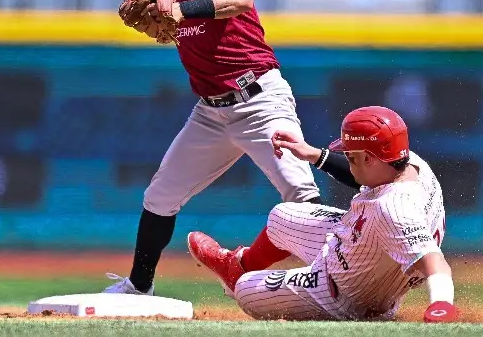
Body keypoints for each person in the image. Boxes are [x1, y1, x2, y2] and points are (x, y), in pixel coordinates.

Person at [104, 0, 321, 295]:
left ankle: (343, 279)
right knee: (160, 195)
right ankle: (138, 287)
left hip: (258, 100)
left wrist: (184, 11)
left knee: (301, 195)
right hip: (210, 112)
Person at [187, 106, 459, 323]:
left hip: (344, 293)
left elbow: (434, 261)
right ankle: (237, 266)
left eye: (352, 157)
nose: (350, 163)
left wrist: (442, 305)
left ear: (370, 158)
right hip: (366, 249)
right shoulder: (409, 163)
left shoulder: (395, 209)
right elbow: (366, 175)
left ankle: (258, 282)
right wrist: (315, 155)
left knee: (246, 289)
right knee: (282, 216)